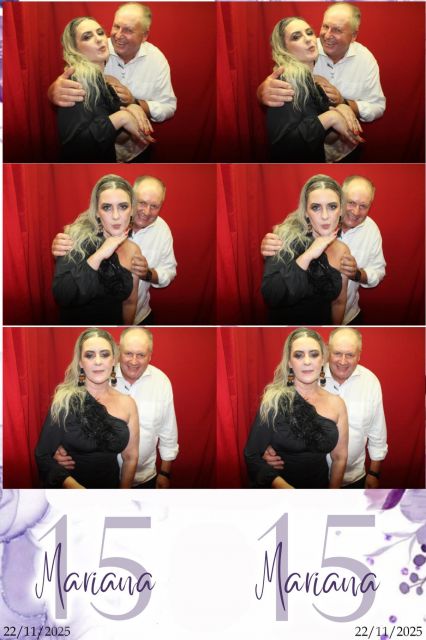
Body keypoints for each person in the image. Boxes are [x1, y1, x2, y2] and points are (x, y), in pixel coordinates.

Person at [258, 3, 385, 162]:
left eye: (337, 30)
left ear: (353, 36)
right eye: (325, 26)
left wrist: (343, 105)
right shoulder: (307, 53)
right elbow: (283, 146)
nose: (326, 35)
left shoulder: (365, 60)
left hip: (341, 152)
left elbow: (377, 106)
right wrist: (261, 91)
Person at [50, 3, 177, 162]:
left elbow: (168, 106)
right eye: (116, 26)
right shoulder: (85, 72)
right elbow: (75, 147)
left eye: (128, 30)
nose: (117, 36)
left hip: (132, 152)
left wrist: (133, 105)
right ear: (75, 49)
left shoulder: (156, 60)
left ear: (144, 35)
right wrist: (52, 91)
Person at [55, 327, 179, 489]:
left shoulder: (161, 382)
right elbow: (73, 420)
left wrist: (165, 473)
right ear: (119, 352)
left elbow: (168, 431)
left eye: (141, 355)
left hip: (145, 478)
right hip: (102, 479)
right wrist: (60, 447)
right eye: (128, 353)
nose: (133, 361)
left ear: (150, 356)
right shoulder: (99, 374)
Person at [264, 328, 388, 489]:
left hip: (354, 477)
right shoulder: (308, 374)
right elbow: (282, 418)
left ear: (359, 355)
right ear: (328, 352)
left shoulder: (370, 382)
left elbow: (377, 431)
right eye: (337, 353)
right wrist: (269, 446)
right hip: (313, 479)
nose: (342, 361)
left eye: (350, 355)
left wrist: (374, 473)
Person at [52, 175, 177, 325]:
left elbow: (130, 303)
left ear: (130, 209)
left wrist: (148, 273)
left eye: (123, 207)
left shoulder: (138, 247)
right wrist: (99, 254)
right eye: (107, 207)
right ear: (96, 211)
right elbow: (63, 296)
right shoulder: (74, 238)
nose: (116, 216)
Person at [261, 175, 386, 325]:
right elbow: (272, 296)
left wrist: (357, 274)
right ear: (305, 211)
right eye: (316, 207)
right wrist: (308, 255)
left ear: (339, 209)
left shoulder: (346, 247)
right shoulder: (283, 238)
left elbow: (339, 302)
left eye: (332, 207)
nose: (325, 216)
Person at [35, 328, 140, 489]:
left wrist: (122, 497)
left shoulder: (128, 403)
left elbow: (131, 458)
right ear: (81, 363)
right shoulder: (64, 401)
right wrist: (78, 490)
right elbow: (43, 455)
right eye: (89, 355)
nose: (97, 361)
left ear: (114, 360)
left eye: (104, 354)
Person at [244, 328, 348, 489]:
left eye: (314, 354)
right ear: (289, 363)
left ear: (323, 360)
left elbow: (340, 458)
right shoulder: (274, 401)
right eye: (298, 355)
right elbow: (252, 455)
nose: (307, 361)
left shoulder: (337, 404)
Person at [266, 16, 363, 162]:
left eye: (309, 32)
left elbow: (321, 139)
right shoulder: (285, 83)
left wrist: (341, 109)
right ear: (284, 49)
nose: (308, 39)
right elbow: (283, 147)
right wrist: (330, 117)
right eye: (296, 37)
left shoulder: (311, 82)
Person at [57, 16, 151, 162]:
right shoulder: (76, 83)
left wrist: (131, 108)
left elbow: (113, 138)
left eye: (100, 32)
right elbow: (75, 148)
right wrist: (121, 117)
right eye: (87, 37)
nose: (99, 39)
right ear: (75, 49)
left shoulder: (103, 83)